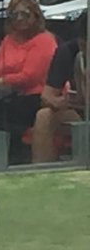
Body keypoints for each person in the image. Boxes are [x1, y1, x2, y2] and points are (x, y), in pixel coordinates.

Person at [0, 0, 57, 164]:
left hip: (37, 96)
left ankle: (13, 160)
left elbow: (29, 77)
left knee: (1, 118)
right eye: (15, 14)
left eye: (25, 14)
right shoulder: (8, 40)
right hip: (9, 95)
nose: (19, 19)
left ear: (36, 16)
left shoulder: (44, 40)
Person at [31, 10, 87, 163]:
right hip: (81, 112)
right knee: (44, 116)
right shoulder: (68, 52)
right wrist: (61, 102)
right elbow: (47, 95)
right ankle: (43, 170)